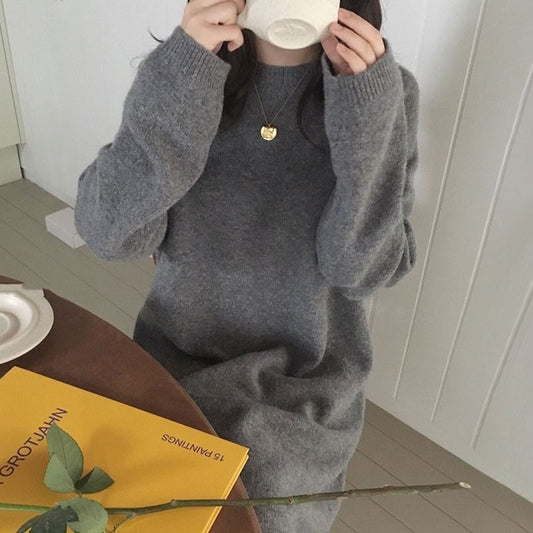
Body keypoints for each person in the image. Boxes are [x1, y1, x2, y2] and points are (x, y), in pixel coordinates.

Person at [74, 0, 420, 531]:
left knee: (256, 514)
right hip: (174, 364)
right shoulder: (187, 71)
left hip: (305, 385)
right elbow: (109, 234)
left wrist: (366, 117)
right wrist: (185, 73)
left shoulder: (381, 91)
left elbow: (360, 270)